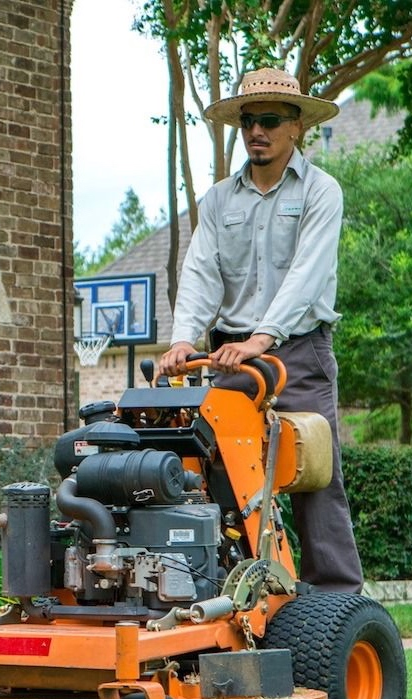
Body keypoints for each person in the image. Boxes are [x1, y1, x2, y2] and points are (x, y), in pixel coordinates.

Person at [158, 67, 362, 593]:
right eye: (249, 121)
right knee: (216, 476)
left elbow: (307, 275)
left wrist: (262, 337)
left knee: (315, 476)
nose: (257, 131)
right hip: (228, 359)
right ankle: (234, 594)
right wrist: (184, 338)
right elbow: (201, 272)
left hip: (298, 353)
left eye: (270, 120)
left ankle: (338, 603)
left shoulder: (322, 192)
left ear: (296, 126)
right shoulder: (219, 200)